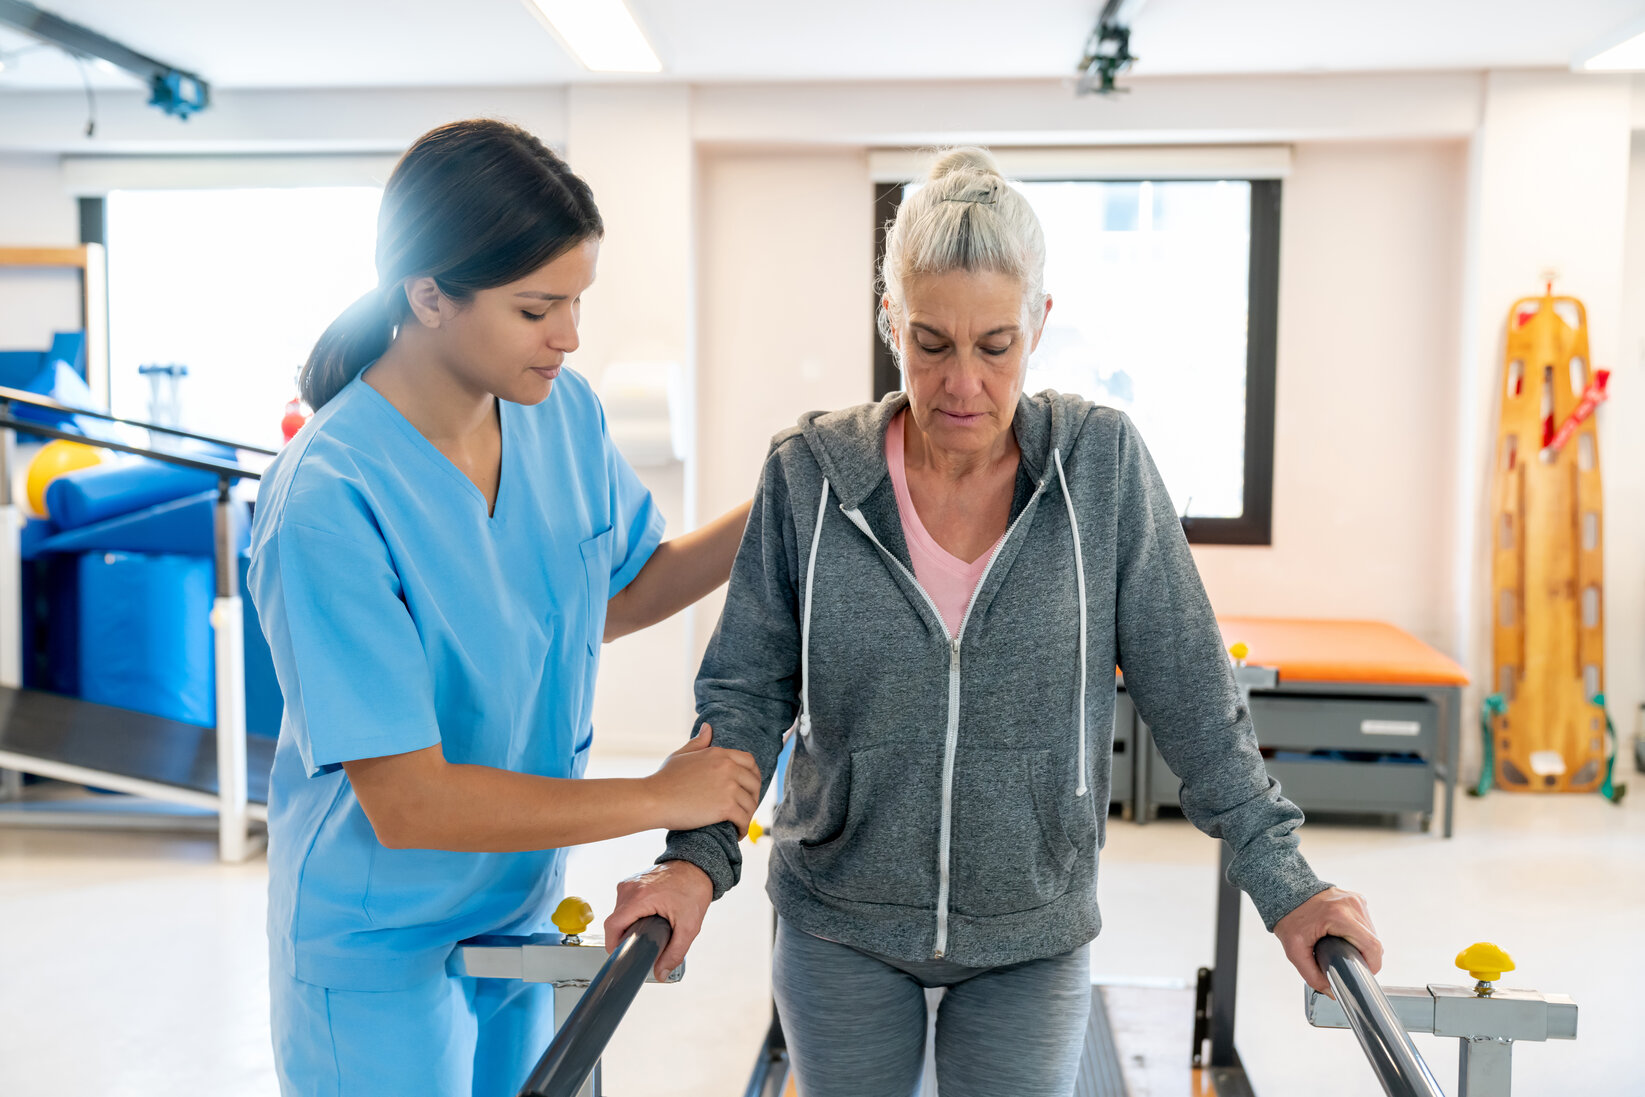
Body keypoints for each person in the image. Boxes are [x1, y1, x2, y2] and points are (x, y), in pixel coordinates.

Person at [606, 146, 1382, 1097]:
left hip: (1031, 927)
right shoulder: (808, 474)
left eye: (994, 344)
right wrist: (694, 860)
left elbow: (1192, 695)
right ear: (890, 320)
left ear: (1040, 325)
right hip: (837, 919)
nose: (961, 383)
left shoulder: (1100, 469)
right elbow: (745, 691)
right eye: (930, 342)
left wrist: (1287, 882)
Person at [249, 118, 758, 1097]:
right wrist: (660, 795)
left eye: (577, 301)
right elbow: (412, 800)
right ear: (428, 294)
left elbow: (615, 593)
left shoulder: (558, 412)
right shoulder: (328, 499)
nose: (569, 336)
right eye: (537, 308)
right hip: (376, 943)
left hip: (518, 907)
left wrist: (777, 501)